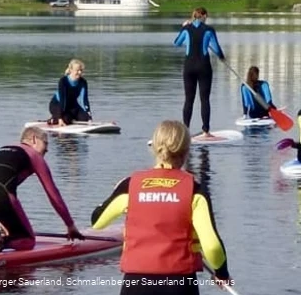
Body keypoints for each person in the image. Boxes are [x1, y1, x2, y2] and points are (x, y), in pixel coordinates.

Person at [90, 120, 232, 294]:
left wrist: (115, 192)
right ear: (186, 151)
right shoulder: (195, 190)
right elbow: (212, 247)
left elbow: (97, 222)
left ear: (154, 148)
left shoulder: (130, 185)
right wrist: (222, 273)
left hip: (136, 285)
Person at [0, 127, 84, 252]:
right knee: (27, 241)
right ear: (34, 139)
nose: (46, 152)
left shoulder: (3, 149)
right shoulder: (33, 155)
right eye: (45, 146)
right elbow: (53, 194)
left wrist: (2, 220)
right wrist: (70, 225)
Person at [173, 8, 226, 139]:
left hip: (189, 68)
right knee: (205, 99)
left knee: (188, 100)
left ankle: (185, 131)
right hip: (204, 68)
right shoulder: (209, 30)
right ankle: (206, 131)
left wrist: (183, 28)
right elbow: (217, 49)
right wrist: (222, 57)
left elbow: (176, 43)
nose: (206, 19)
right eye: (206, 17)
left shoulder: (186, 29)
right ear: (203, 16)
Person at [48, 59, 92, 126]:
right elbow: (63, 100)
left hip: (72, 105)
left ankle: (70, 118)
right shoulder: (63, 81)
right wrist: (60, 118)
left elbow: (84, 100)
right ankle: (53, 119)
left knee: (85, 118)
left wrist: (89, 116)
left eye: (81, 70)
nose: (79, 72)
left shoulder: (83, 82)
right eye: (77, 70)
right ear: (71, 70)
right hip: (57, 104)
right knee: (66, 119)